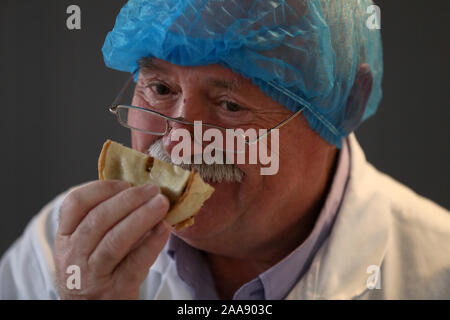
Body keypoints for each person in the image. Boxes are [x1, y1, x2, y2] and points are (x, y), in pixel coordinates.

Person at [1, 0, 449, 300]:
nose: (180, 141)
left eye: (230, 104)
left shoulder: (436, 273)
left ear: (345, 102)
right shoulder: (61, 252)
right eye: (159, 87)